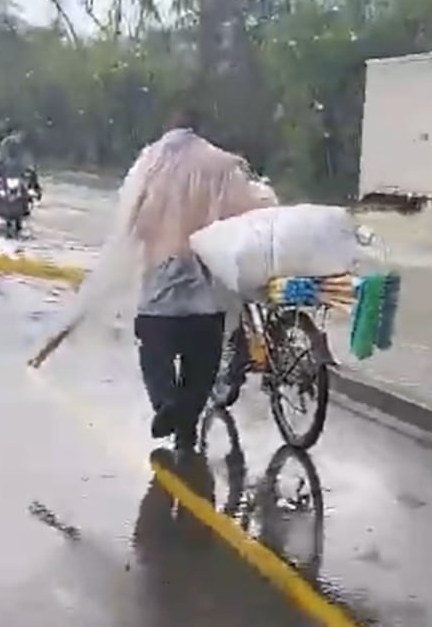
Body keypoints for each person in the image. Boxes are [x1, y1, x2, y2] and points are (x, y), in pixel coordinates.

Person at [29, 107, 272, 447]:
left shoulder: (149, 164)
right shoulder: (221, 166)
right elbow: (248, 215)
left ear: (166, 127)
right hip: (207, 292)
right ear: (198, 128)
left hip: (159, 287)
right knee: (201, 366)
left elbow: (130, 223)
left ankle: (166, 406)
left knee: (155, 357)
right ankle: (185, 424)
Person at [0, 126, 39, 222]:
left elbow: (27, 159)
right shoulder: (6, 142)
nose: (20, 135)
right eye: (19, 132)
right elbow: (1, 156)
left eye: (22, 133)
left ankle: (29, 202)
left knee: (27, 187)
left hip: (18, 173)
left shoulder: (23, 145)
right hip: (5, 171)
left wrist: (29, 168)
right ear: (14, 132)